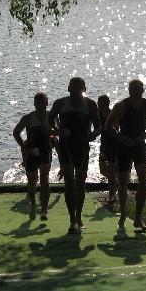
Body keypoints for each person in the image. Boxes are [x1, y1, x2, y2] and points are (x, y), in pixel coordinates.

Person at [105, 79, 146, 231]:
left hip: (139, 144)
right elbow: (107, 126)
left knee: (143, 179)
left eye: (137, 89)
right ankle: (123, 213)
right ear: (129, 90)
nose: (135, 92)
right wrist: (120, 136)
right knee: (123, 182)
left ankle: (138, 217)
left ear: (142, 90)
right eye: (132, 89)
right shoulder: (121, 106)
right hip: (124, 145)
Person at [48, 77, 101, 234]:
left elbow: (99, 126)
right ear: (68, 88)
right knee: (69, 183)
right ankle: (72, 219)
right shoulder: (60, 103)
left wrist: (93, 135)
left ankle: (78, 216)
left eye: (79, 87)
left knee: (80, 183)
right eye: (73, 87)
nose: (76, 90)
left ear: (84, 89)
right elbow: (50, 118)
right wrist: (57, 129)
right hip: (66, 146)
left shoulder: (90, 104)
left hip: (82, 146)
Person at [13, 92, 53, 221]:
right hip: (32, 151)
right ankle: (33, 206)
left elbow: (58, 131)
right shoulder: (28, 118)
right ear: (34, 104)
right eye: (38, 102)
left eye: (43, 102)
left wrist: (52, 133)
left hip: (45, 150)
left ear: (47, 103)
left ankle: (44, 210)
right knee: (32, 181)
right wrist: (23, 147)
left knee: (45, 179)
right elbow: (16, 132)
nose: (40, 105)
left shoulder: (51, 116)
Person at [97, 95, 117, 208]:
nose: (99, 106)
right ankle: (116, 182)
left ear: (107, 104)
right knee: (102, 170)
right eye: (98, 104)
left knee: (110, 169)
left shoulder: (112, 114)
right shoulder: (98, 114)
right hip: (103, 144)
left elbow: (117, 127)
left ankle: (111, 194)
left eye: (101, 104)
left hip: (113, 144)